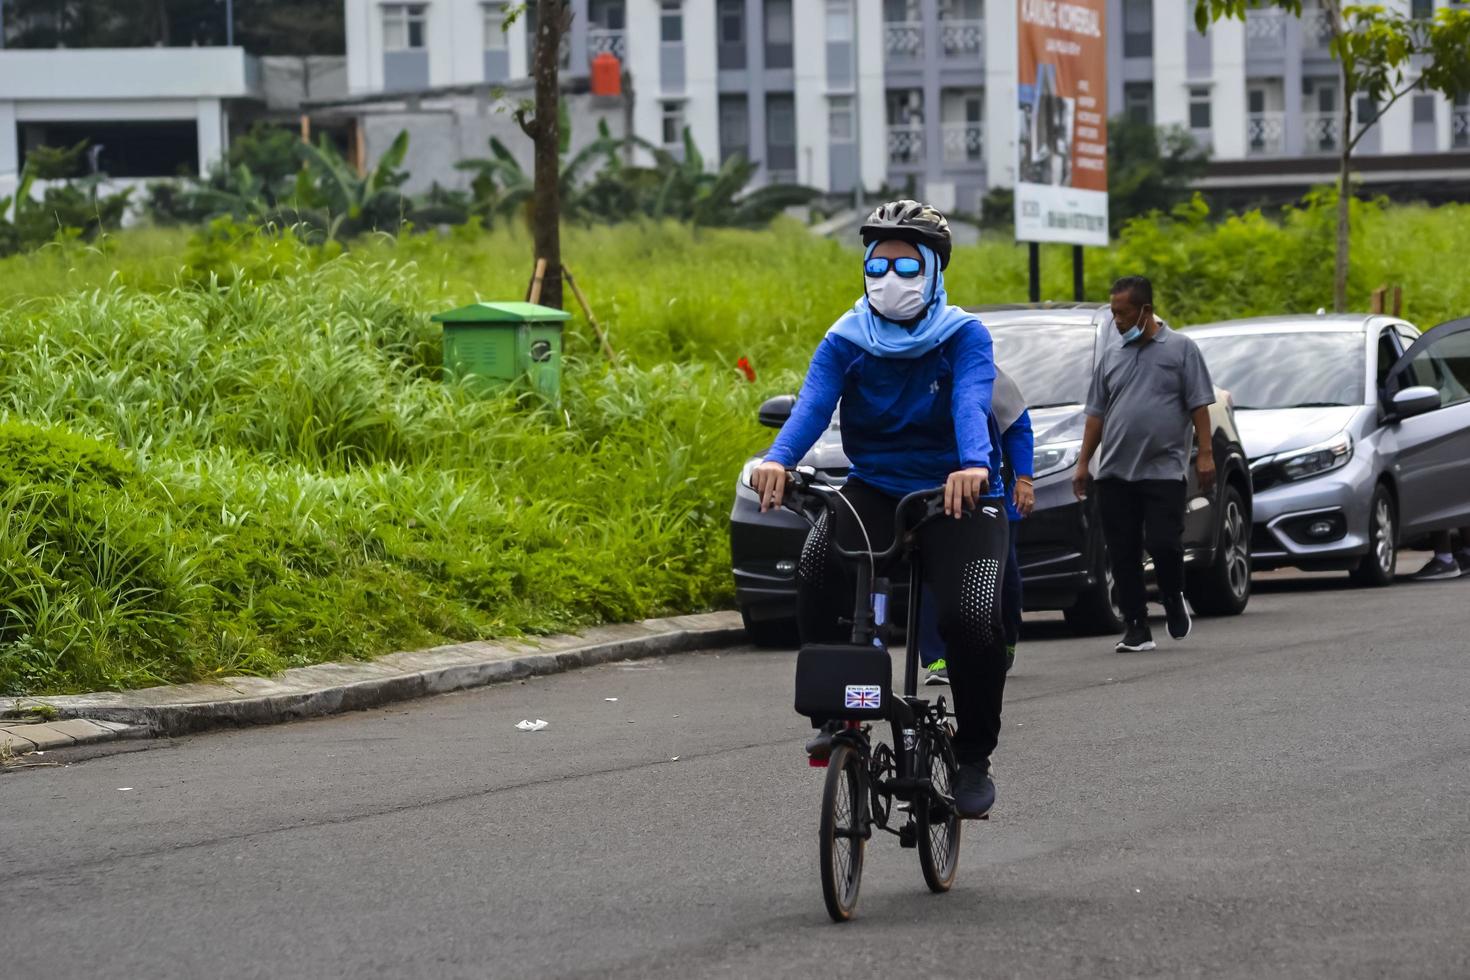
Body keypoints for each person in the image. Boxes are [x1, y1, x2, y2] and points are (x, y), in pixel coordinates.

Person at [750, 200, 1010, 819]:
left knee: (970, 617)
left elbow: (972, 403)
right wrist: (778, 458)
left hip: (960, 492)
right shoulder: (846, 338)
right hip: (878, 485)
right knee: (817, 563)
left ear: (934, 272)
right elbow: (812, 407)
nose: (889, 279)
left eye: (906, 264)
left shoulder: (964, 335)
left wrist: (973, 464)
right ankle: (836, 712)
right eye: (878, 264)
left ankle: (973, 755)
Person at [1072, 276, 1217, 653]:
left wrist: (1205, 453)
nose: (1116, 321)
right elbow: (1096, 414)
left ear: (1146, 311)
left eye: (1123, 313)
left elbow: (1200, 404)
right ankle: (1136, 626)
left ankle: (1172, 596)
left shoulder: (1182, 349)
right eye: (1113, 313)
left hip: (1163, 470)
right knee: (1122, 551)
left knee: (1164, 543)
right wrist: (1083, 463)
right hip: (1115, 473)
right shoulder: (1112, 355)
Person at [924, 367, 1034, 684]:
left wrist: (1024, 479)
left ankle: (1005, 642)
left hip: (990, 491)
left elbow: (1018, 427)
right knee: (933, 570)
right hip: (933, 489)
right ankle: (937, 659)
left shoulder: (989, 376)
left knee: (1005, 574)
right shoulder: (915, 367)